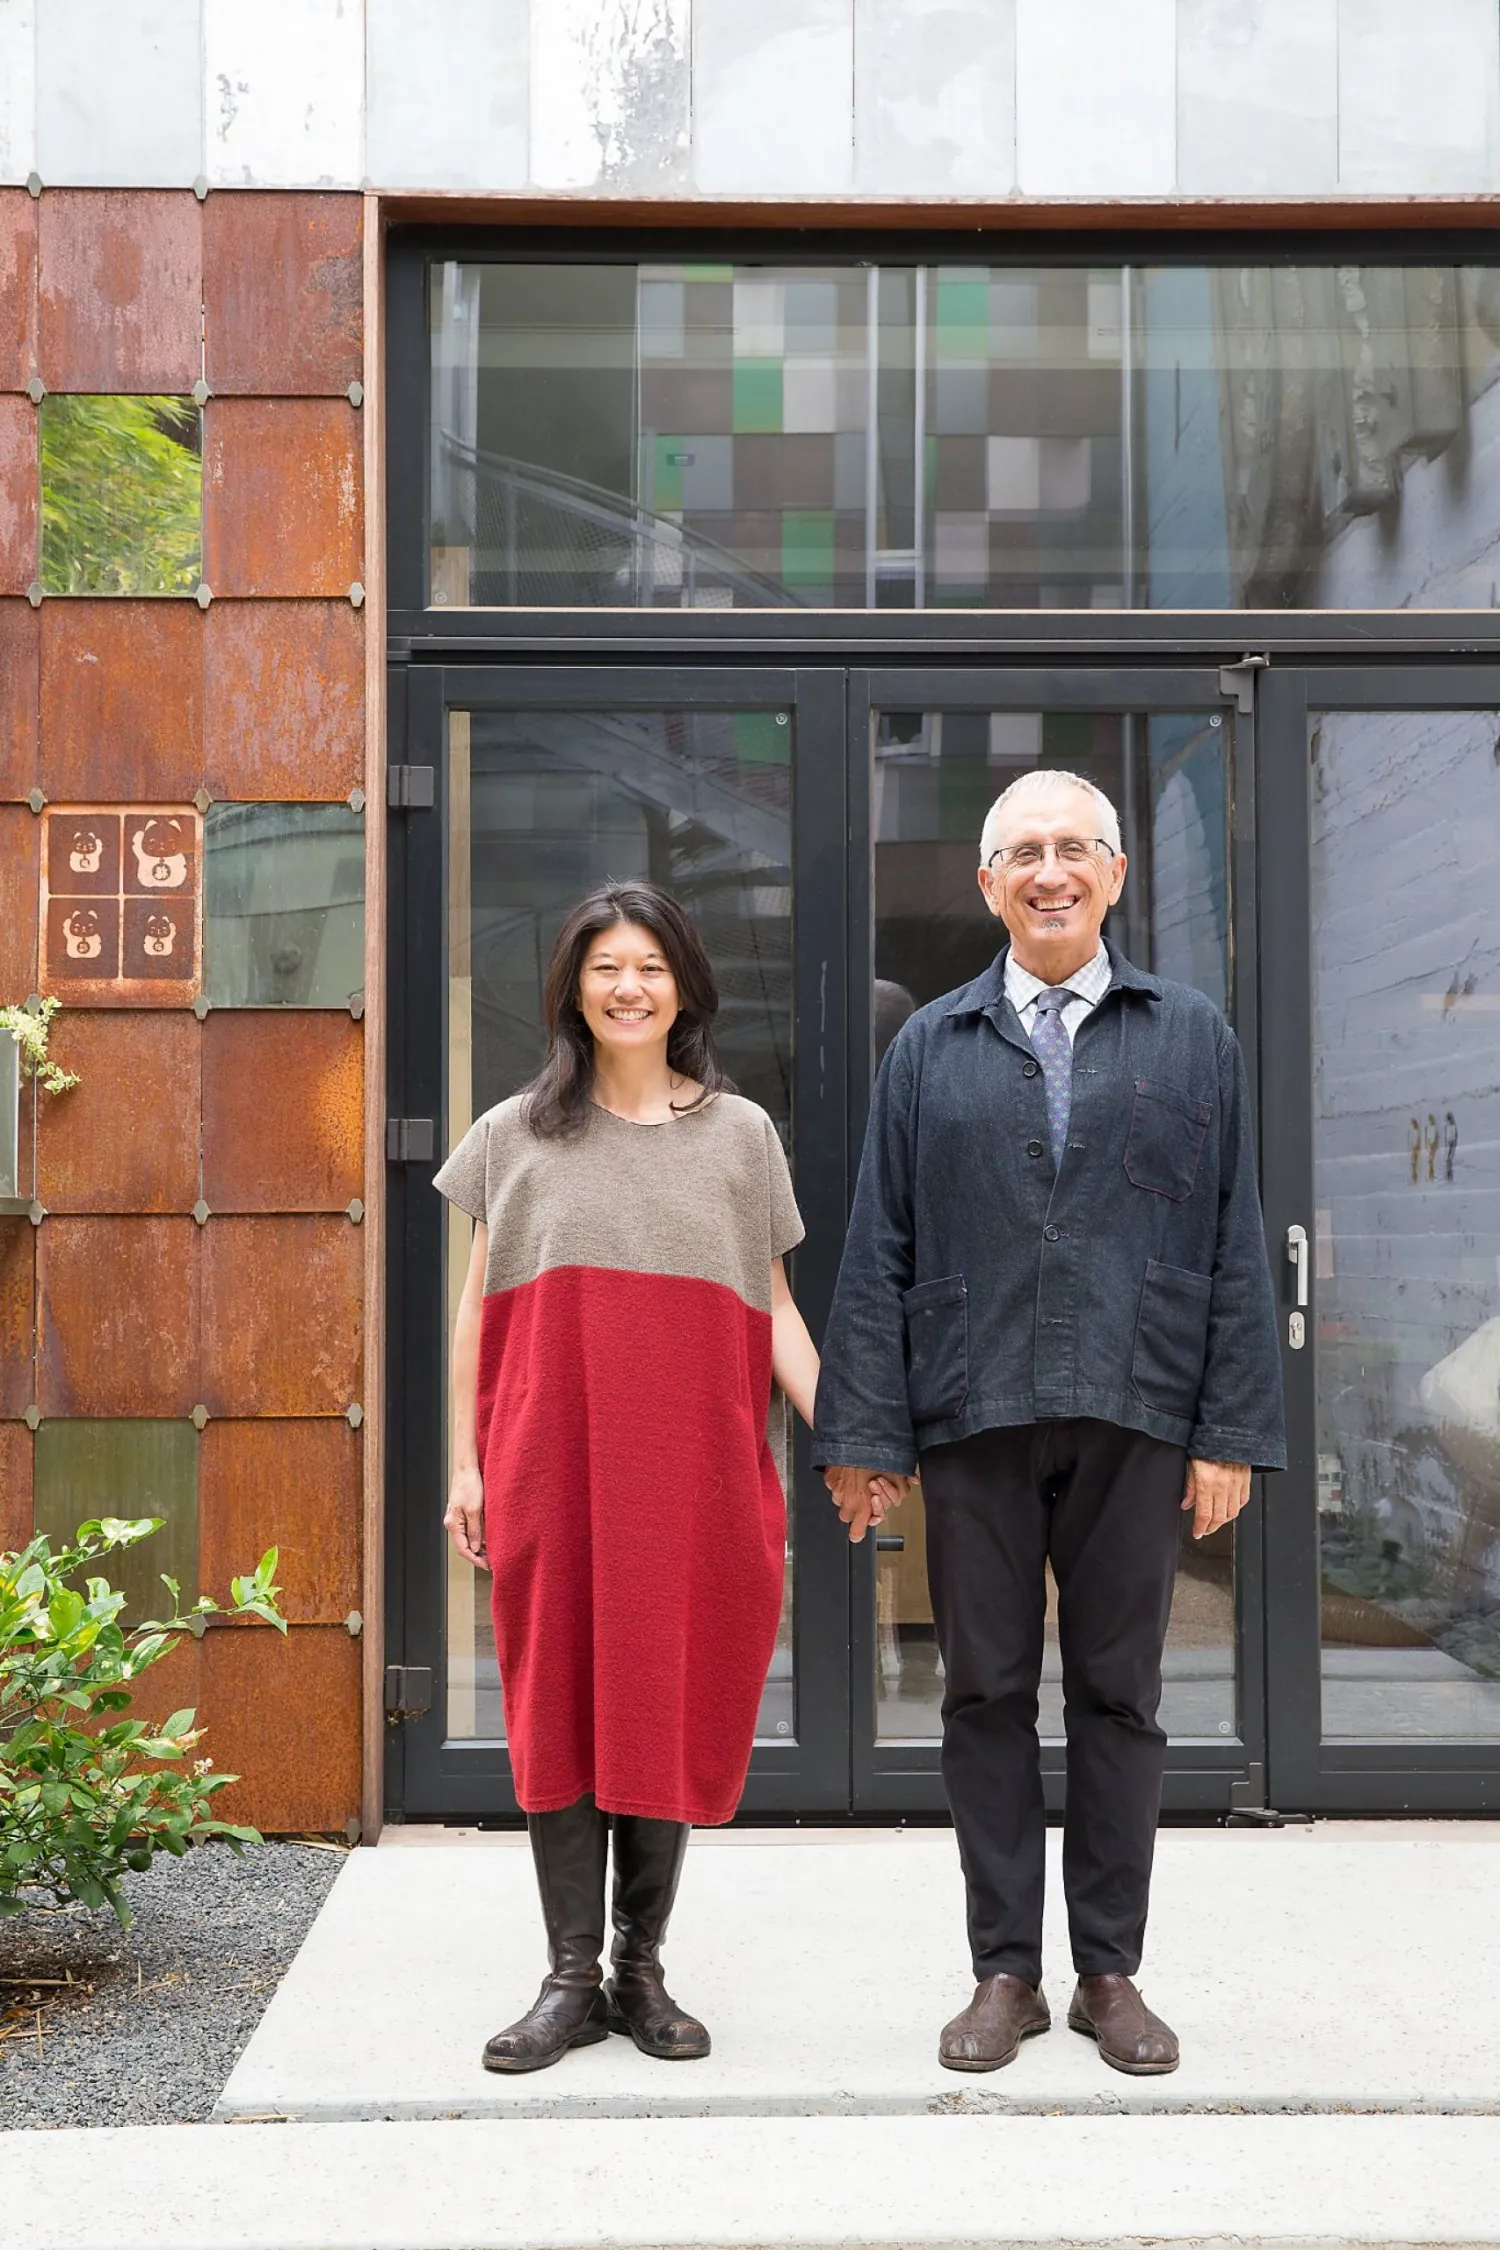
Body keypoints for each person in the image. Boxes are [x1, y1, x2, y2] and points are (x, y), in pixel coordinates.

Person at [814, 768, 1285, 2078]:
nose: (1050, 870)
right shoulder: (931, 1044)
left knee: (1122, 1695)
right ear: (987, 884)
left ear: (1116, 875)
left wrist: (1231, 1426)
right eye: (1023, 851)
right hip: (973, 1408)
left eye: (1074, 847)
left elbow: (1233, 1232)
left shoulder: (1190, 1032)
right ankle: (1004, 1970)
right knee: (984, 1691)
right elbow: (880, 1241)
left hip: (1140, 1402)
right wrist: (868, 1431)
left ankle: (1110, 1971)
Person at [435, 880, 822, 2075]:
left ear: (683, 987)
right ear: (573, 990)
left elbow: (775, 1312)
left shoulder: (743, 1135)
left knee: (661, 1695)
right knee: (557, 1699)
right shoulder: (512, 1135)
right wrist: (464, 1461)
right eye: (604, 965)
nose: (627, 985)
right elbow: (474, 1315)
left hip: (694, 1473)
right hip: (550, 1465)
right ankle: (568, 1980)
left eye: (649, 964)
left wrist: (853, 1435)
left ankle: (639, 1973)